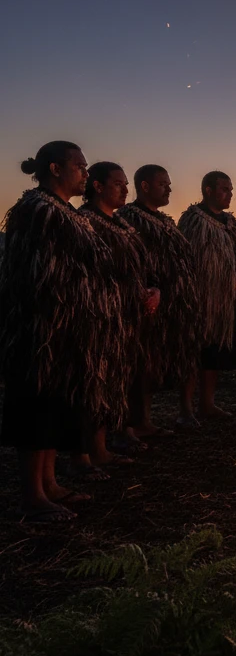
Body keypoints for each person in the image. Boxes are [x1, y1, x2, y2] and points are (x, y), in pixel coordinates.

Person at [0, 142, 124, 522]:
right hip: (41, 329)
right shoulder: (37, 210)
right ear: (55, 168)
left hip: (68, 328)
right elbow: (38, 272)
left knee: (56, 403)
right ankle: (32, 495)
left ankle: (50, 482)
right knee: (37, 405)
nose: (85, 173)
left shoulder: (63, 212)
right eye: (80, 166)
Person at [74, 162, 156, 478]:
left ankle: (104, 446)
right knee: (92, 384)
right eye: (118, 183)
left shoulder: (122, 225)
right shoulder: (86, 223)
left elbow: (140, 269)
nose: (125, 189)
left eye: (125, 184)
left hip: (125, 320)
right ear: (98, 186)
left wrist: (151, 289)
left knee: (115, 382)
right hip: (97, 318)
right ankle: (84, 455)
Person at [118, 164, 200, 442]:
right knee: (139, 364)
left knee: (154, 364)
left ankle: (146, 421)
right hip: (145, 304)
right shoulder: (128, 218)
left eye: (169, 183)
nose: (169, 189)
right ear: (144, 186)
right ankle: (129, 425)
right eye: (163, 184)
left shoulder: (166, 221)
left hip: (172, 305)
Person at [177, 171, 236, 422]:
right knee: (195, 353)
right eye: (225, 189)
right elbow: (189, 261)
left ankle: (207, 404)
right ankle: (186, 410)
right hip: (202, 301)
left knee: (215, 353)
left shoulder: (231, 223)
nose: (230, 194)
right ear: (208, 190)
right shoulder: (193, 220)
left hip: (229, 302)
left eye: (231, 189)